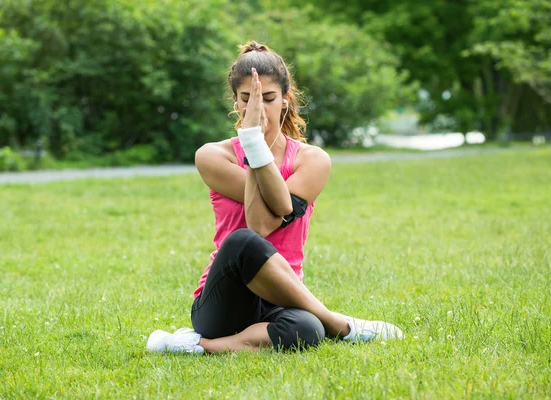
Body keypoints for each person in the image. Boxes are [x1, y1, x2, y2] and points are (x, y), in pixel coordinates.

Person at [147, 41, 403, 354]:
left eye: (268, 98)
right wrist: (253, 140)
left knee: (307, 330)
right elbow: (258, 227)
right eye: (248, 99)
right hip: (225, 300)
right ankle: (339, 324)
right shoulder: (213, 156)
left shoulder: (312, 160)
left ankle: (199, 346)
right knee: (244, 242)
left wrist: (254, 144)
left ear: (285, 100)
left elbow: (276, 210)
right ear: (236, 102)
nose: (259, 107)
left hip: (282, 297)